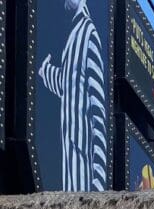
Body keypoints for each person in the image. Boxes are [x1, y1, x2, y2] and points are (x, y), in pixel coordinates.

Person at [38, 0, 108, 191]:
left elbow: (98, 109)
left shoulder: (89, 33)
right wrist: (46, 71)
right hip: (69, 164)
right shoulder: (73, 35)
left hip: (84, 170)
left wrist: (98, 185)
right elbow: (67, 85)